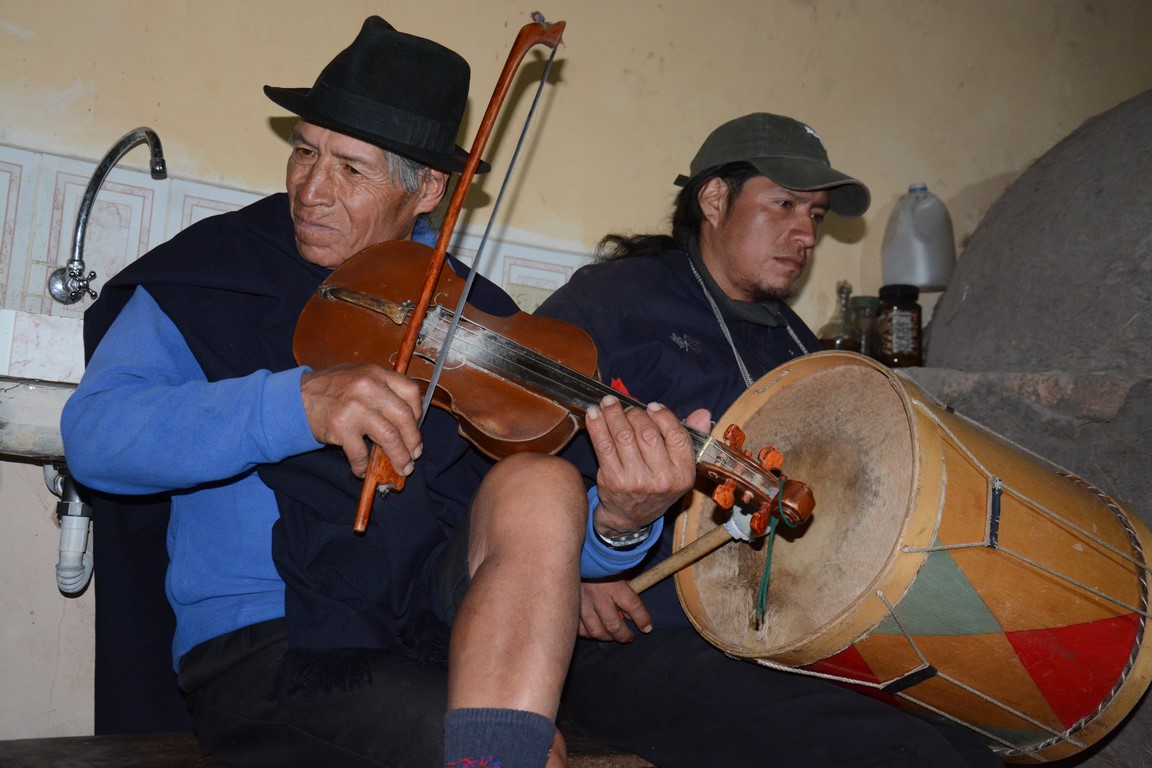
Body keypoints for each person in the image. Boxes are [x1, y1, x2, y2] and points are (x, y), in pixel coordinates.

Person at [61, 17, 696, 768]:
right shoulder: (215, 269)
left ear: (428, 188)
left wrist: (622, 521)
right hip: (273, 644)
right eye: (304, 151)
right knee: (525, 755)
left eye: (351, 169)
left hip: (436, 629)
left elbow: (533, 552)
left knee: (544, 480)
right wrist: (298, 404)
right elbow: (96, 438)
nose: (311, 189)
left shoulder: (475, 312)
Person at [535, 113, 1001, 767]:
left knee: (969, 745)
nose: (805, 233)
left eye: (815, 214)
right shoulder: (616, 301)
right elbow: (511, 447)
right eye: (784, 203)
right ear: (714, 199)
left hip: (770, 638)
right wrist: (564, 574)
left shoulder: (795, 344)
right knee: (894, 753)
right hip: (630, 638)